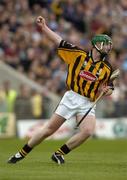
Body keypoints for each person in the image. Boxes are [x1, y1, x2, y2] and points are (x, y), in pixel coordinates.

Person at [8, 16, 114, 165]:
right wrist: (44, 27)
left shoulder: (107, 68)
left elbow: (108, 87)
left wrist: (106, 90)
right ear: (97, 45)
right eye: (106, 45)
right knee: (49, 130)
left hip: (88, 103)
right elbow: (58, 40)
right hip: (72, 97)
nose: (108, 48)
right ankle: (21, 153)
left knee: (88, 131)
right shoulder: (78, 55)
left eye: (109, 45)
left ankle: (59, 153)